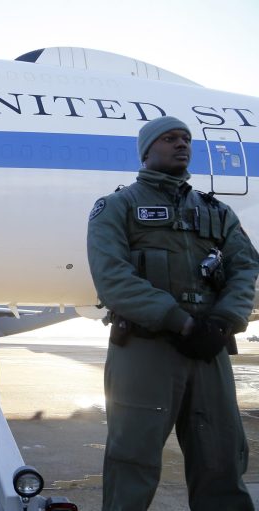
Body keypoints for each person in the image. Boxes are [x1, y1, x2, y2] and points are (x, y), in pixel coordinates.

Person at [87, 116, 259, 510]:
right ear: (147, 151)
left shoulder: (218, 211)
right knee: (132, 458)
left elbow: (245, 266)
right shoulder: (117, 207)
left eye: (185, 138)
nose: (181, 144)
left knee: (222, 458)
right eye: (169, 138)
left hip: (209, 349)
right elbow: (113, 278)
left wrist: (222, 322)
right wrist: (180, 322)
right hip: (146, 348)